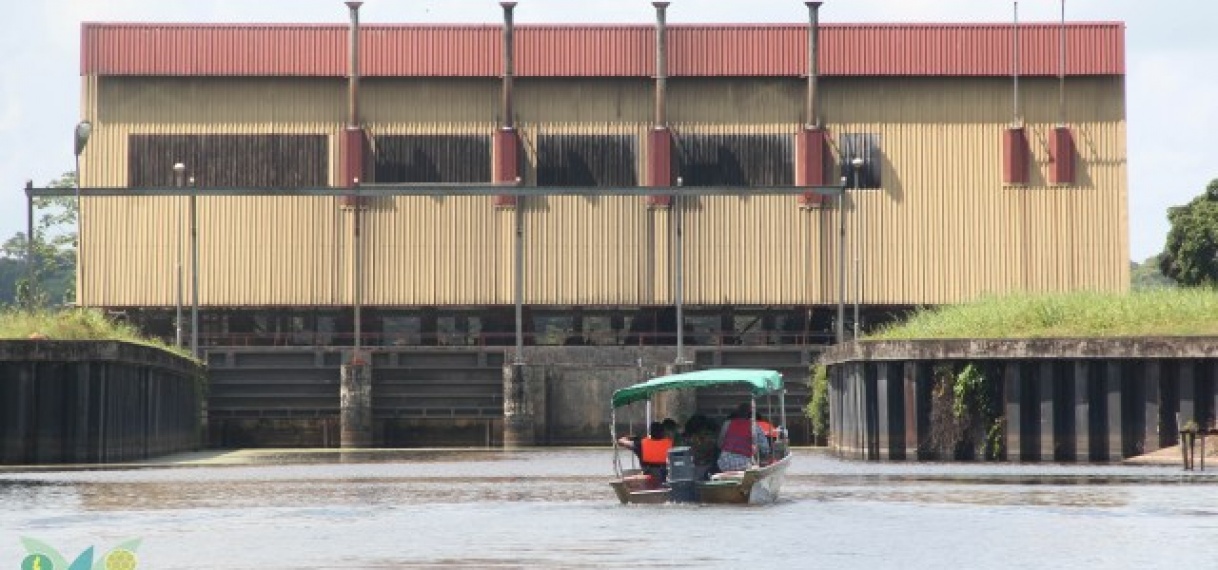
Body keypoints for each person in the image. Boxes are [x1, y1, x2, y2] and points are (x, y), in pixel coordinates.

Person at [716, 403, 771, 473]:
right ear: (751, 415)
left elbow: (719, 444)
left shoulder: (727, 424)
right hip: (744, 465)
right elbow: (765, 449)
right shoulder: (754, 426)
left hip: (724, 464)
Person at [617, 421, 673, 486]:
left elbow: (621, 441)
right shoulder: (671, 444)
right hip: (667, 476)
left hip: (648, 479)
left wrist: (631, 437)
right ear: (663, 433)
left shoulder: (640, 444)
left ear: (650, 433)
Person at [683, 413, 720, 481]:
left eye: (714, 436)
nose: (711, 440)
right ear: (690, 438)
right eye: (706, 435)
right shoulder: (678, 464)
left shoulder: (721, 462)